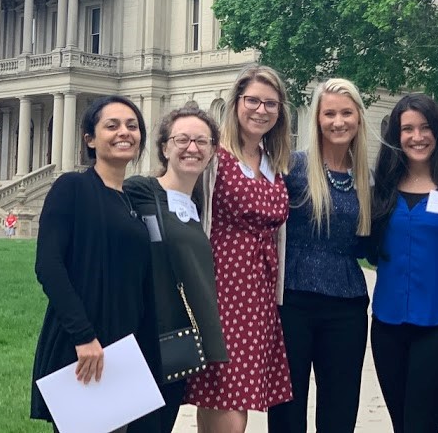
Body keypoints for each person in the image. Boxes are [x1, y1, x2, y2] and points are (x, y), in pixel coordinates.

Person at [30, 95, 162, 432]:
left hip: (126, 345)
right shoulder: (72, 187)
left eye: (133, 126)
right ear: (90, 139)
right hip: (88, 343)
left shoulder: (132, 201)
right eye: (112, 125)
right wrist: (84, 336)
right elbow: (49, 265)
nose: (125, 132)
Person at [186, 65, 293, 433]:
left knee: (231, 401)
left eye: (271, 104)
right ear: (236, 103)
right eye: (253, 101)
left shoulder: (274, 164)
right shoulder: (214, 157)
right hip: (220, 291)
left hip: (259, 297)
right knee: (229, 405)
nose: (261, 110)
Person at [368, 93, 438, 433]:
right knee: (401, 425)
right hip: (387, 324)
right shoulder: (380, 186)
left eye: (426, 127)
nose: (417, 137)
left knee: (422, 426)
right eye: (408, 129)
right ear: (396, 136)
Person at [268, 79, 373, 433]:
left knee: (340, 405)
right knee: (287, 405)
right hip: (293, 301)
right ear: (317, 119)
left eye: (346, 113)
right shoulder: (291, 168)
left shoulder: (367, 180)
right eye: (329, 113)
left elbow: (368, 246)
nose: (338, 122)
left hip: (347, 304)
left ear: (358, 118)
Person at [125, 105, 229, 433]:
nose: (192, 148)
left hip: (176, 344)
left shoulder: (203, 208)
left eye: (202, 141)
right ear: (165, 147)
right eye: (181, 139)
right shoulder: (140, 191)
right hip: (139, 336)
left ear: (213, 151)